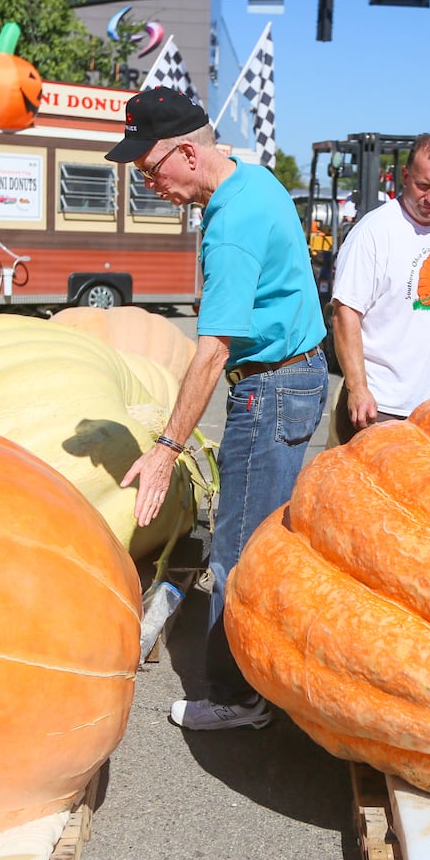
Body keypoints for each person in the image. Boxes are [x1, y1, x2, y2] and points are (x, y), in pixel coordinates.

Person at [106, 88, 327, 731]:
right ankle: (269, 674)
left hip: (274, 387)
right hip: (295, 376)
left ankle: (239, 698)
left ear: (185, 153)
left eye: (150, 170)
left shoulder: (230, 225)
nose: (149, 184)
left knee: (237, 549)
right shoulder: (254, 183)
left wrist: (165, 449)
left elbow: (212, 351)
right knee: (261, 537)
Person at [329, 134, 430, 445]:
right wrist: (358, 388)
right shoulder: (374, 233)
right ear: (405, 176)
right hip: (381, 409)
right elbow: (345, 313)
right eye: (423, 185)